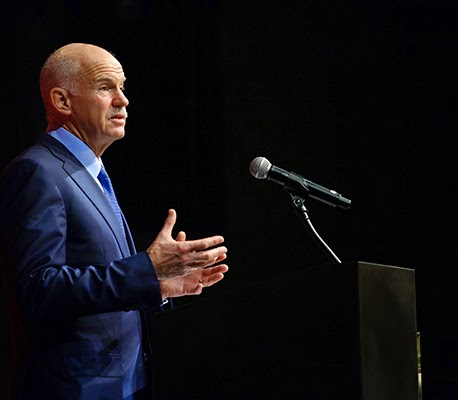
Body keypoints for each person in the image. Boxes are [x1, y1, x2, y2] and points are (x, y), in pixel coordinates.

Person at [0, 43, 229, 400]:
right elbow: (39, 290)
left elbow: (104, 281)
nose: (123, 100)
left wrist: (159, 285)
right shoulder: (38, 171)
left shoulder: (90, 172)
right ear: (62, 101)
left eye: (122, 87)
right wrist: (145, 270)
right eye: (106, 87)